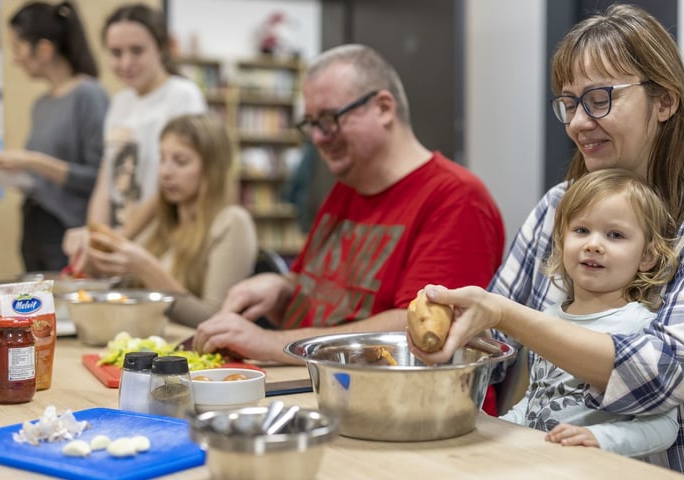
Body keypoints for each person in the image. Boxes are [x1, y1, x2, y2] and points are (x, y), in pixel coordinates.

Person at [414, 5, 684, 479]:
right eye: (569, 103)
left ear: (664, 101)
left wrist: (503, 314)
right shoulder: (557, 206)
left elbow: (663, 376)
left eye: (600, 98)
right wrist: (451, 336)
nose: (578, 122)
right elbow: (491, 349)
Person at [193, 44, 505, 366]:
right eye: (311, 123)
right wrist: (281, 287)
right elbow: (313, 285)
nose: (317, 137)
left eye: (329, 119)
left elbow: (416, 332)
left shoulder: (457, 198)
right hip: (315, 383)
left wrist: (270, 344)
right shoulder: (348, 186)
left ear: (384, 108)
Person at [496, 168, 678, 458]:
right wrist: (499, 429)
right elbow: (535, 401)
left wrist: (599, 438)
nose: (593, 244)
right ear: (561, 241)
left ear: (646, 256)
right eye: (581, 230)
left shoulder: (639, 325)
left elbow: (664, 426)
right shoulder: (546, 319)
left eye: (615, 235)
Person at [63, 3, 207, 266]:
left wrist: (117, 241)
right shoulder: (120, 102)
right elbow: (105, 182)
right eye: (116, 53)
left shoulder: (182, 96)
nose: (126, 62)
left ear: (161, 48)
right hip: (122, 246)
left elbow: (170, 184)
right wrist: (95, 237)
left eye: (137, 51)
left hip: (162, 246)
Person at [86, 113, 257, 327]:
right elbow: (126, 290)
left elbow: (215, 320)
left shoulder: (232, 222)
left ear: (212, 168)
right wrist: (96, 261)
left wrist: (147, 267)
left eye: (180, 161)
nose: (165, 172)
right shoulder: (163, 222)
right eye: (162, 159)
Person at [0, 1, 109, 272]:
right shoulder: (42, 104)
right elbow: (39, 182)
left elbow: (99, 179)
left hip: (67, 232)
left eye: (18, 47)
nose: (15, 58)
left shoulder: (89, 96)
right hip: (34, 224)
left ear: (45, 49)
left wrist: (33, 160)